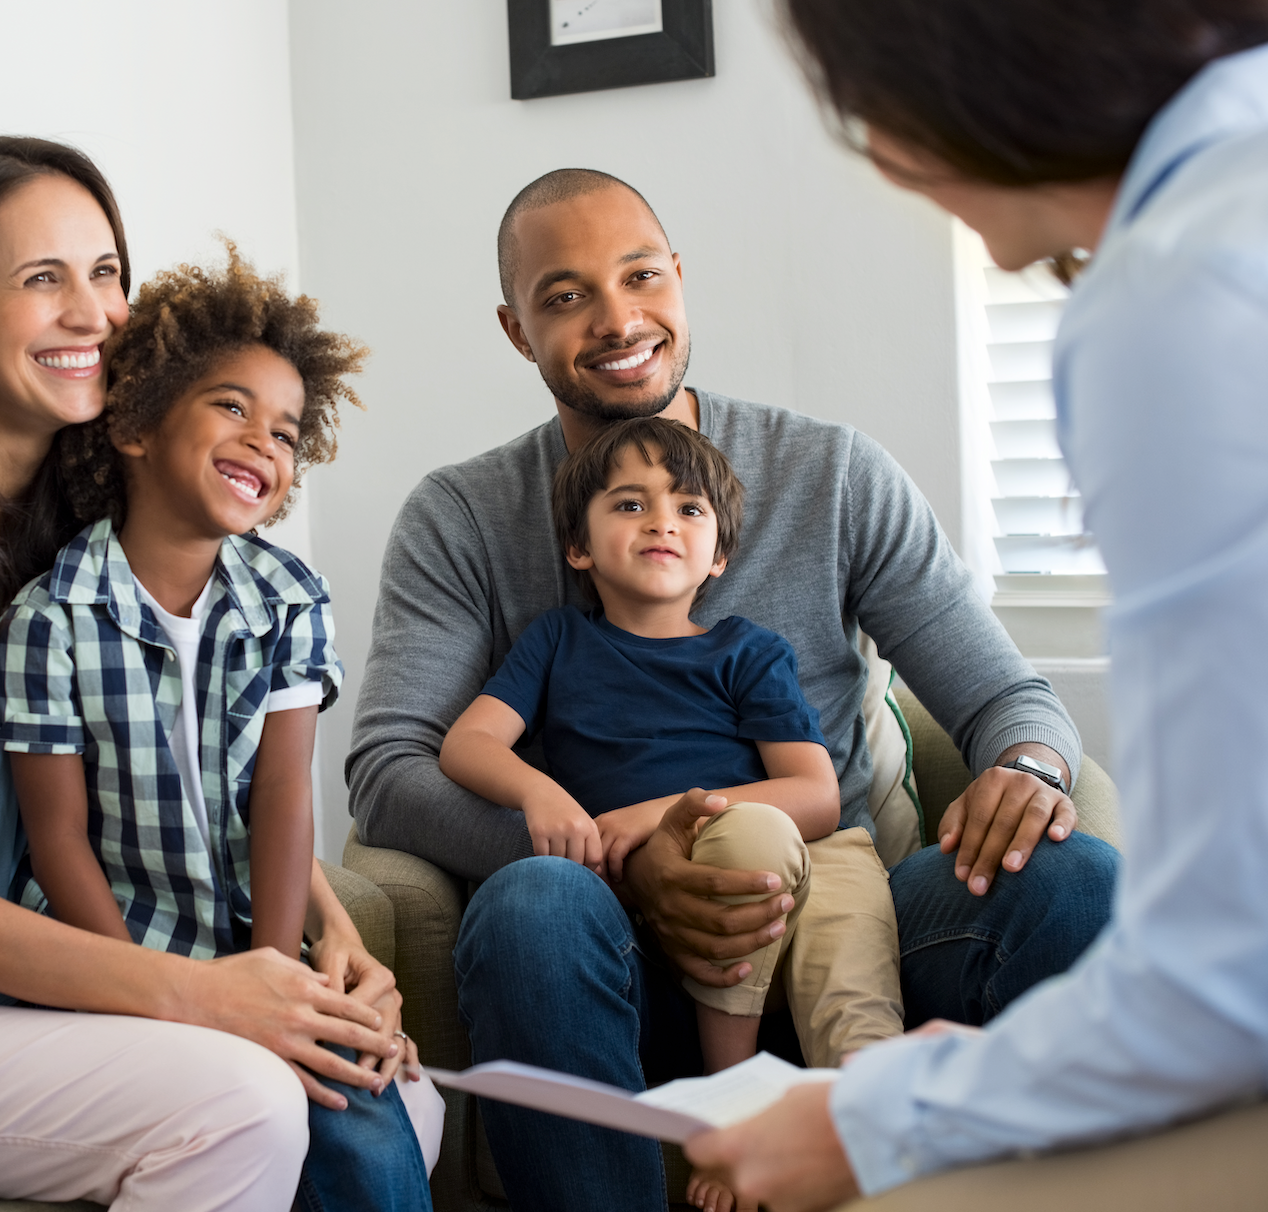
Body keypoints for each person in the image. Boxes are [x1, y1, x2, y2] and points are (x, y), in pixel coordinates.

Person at [348, 165, 1119, 1208]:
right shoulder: (464, 517)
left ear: (679, 279)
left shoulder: (832, 474)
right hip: (594, 954)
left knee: (1073, 879)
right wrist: (621, 861)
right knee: (533, 906)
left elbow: (1003, 701)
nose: (619, 319)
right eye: (565, 295)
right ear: (515, 328)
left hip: (831, 915)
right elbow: (391, 769)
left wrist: (1028, 770)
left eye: (640, 276)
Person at [0, 137, 409, 1211]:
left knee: (391, 1102)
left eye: (105, 274)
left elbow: (199, 766)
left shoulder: (85, 523)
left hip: (14, 993)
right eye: (42, 279)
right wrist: (203, 997)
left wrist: (330, 938)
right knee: (244, 1101)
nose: (92, 312)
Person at [682, 3, 1268, 1209]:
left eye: (858, 106)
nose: (875, 157)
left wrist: (890, 1114)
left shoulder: (1173, 297)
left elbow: (1226, 975)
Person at [0, 245, 440, 1211]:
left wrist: (277, 983)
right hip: (103, 954)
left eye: (284, 431)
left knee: (361, 1094)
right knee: (318, 1110)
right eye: (231, 407)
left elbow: (282, 799)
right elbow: (56, 838)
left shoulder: (288, 599)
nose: (261, 444)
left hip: (249, 944)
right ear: (138, 423)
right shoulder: (50, 618)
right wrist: (145, 995)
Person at [442, 415, 902, 1212]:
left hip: (795, 861)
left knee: (851, 1010)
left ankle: (866, 1156)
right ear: (577, 547)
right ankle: (732, 1116)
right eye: (629, 504)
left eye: (689, 509)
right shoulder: (556, 642)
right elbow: (468, 743)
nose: (661, 520)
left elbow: (814, 794)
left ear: (718, 554)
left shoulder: (745, 650)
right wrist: (539, 791)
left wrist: (655, 815)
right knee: (733, 842)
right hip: (655, 914)